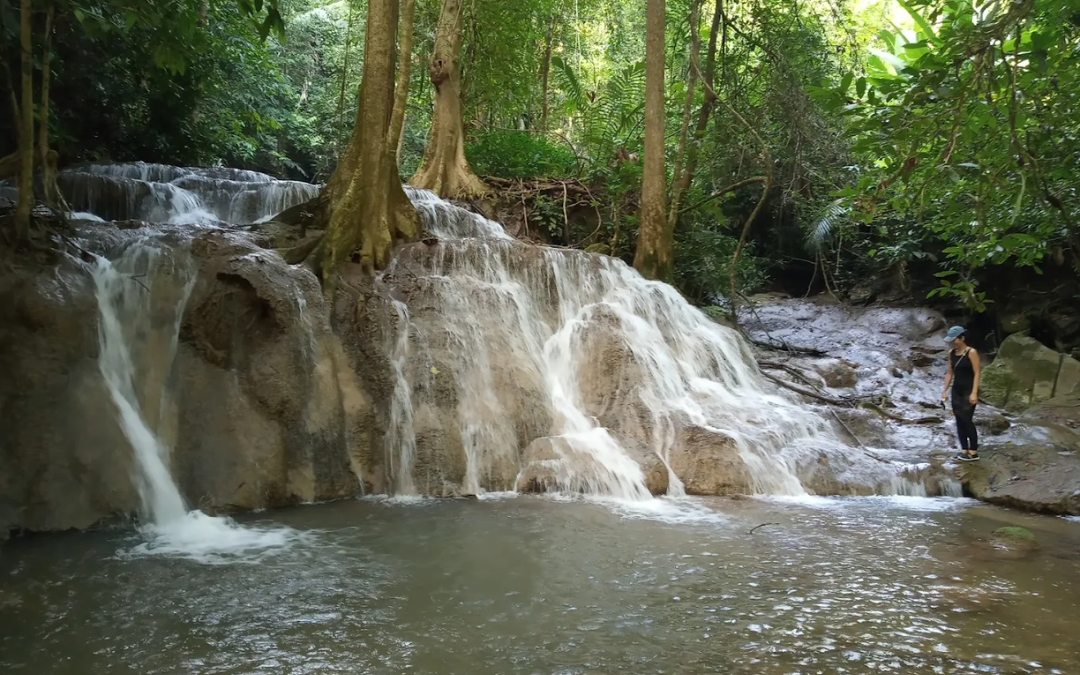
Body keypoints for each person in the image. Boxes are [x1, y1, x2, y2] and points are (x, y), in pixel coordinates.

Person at [941, 325, 981, 461]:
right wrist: (944, 391)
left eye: (954, 340)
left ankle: (973, 451)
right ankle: (964, 449)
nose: (952, 343)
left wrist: (974, 392)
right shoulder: (951, 353)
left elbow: (977, 373)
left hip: (969, 390)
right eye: (951, 341)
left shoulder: (971, 352)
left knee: (967, 419)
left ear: (962, 338)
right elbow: (950, 372)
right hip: (957, 390)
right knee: (959, 420)